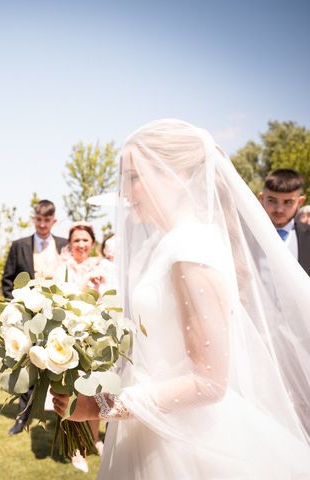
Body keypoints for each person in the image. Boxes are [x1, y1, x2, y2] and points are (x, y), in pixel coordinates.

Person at [52, 119, 310, 479]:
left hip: (184, 441)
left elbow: (208, 382)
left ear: (175, 176)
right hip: (150, 425)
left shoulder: (190, 248)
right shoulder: (162, 246)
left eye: (134, 177)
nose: (124, 191)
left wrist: (98, 405)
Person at [2, 199, 67, 435]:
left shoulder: (65, 245)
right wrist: (18, 308)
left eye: (47, 220)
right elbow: (7, 281)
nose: (42, 224)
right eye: (39, 219)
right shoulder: (19, 245)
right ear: (34, 219)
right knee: (27, 364)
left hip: (59, 316)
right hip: (28, 317)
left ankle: (63, 419)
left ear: (54, 221)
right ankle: (22, 417)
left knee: (61, 365)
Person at [53, 222, 105, 472]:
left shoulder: (103, 266)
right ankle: (76, 449)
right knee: (71, 392)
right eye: (76, 240)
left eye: (85, 240)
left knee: (95, 389)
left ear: (92, 243)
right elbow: (61, 299)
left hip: (97, 336)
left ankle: (96, 439)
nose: (81, 244)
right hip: (68, 336)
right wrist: (85, 284)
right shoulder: (62, 268)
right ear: (69, 244)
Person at [258, 169, 310, 275]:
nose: (279, 209)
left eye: (288, 202)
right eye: (272, 200)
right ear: (261, 198)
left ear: (300, 202)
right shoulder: (246, 235)